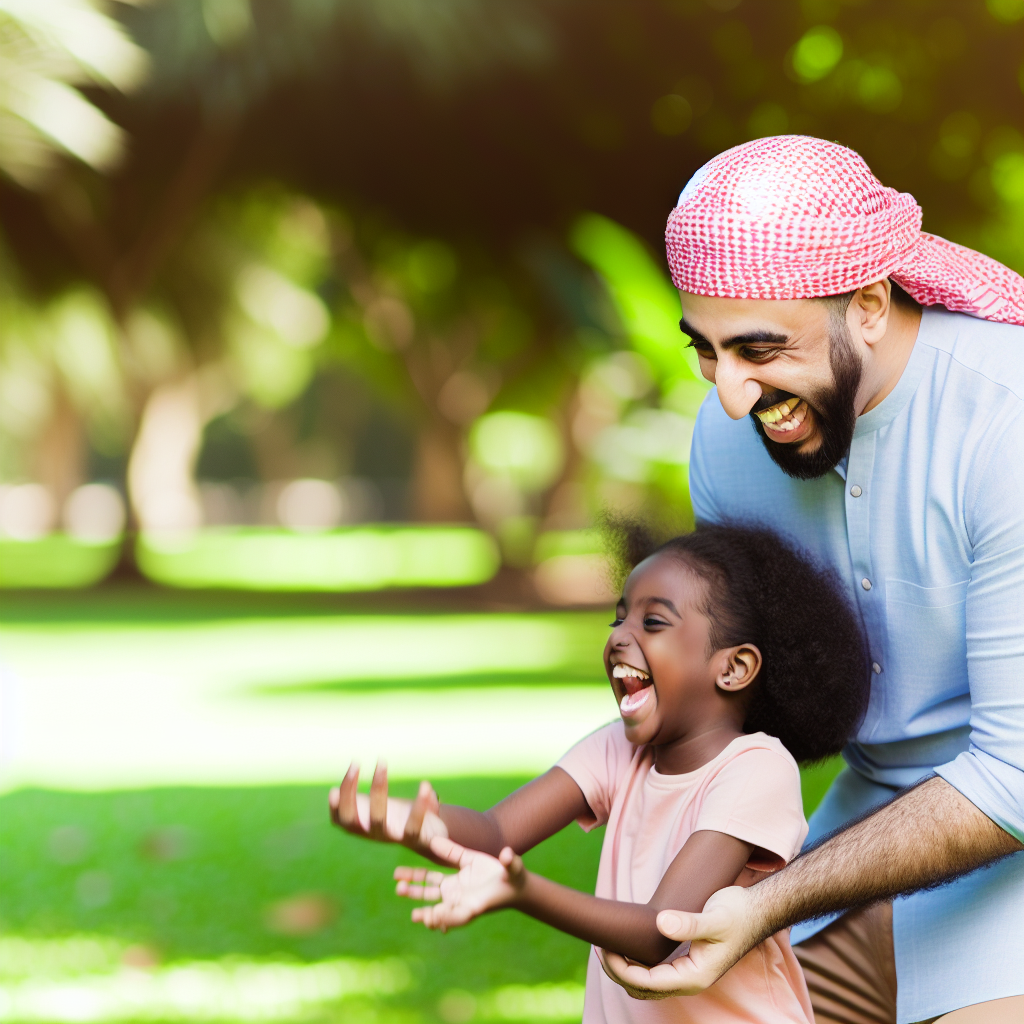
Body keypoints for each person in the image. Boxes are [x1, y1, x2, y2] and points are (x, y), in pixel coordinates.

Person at [598, 136, 1024, 1024]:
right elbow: (745, 702)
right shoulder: (728, 440)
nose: (730, 396)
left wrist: (766, 905)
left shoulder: (1005, 421)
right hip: (858, 839)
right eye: (708, 351)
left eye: (760, 348)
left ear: (868, 303)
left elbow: (1015, 778)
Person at [330, 522, 869, 1023]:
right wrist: (409, 821)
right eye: (620, 617)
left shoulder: (757, 770)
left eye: (652, 622)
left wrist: (524, 892)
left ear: (733, 667)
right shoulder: (620, 750)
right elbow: (495, 834)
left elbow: (662, 930)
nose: (618, 636)